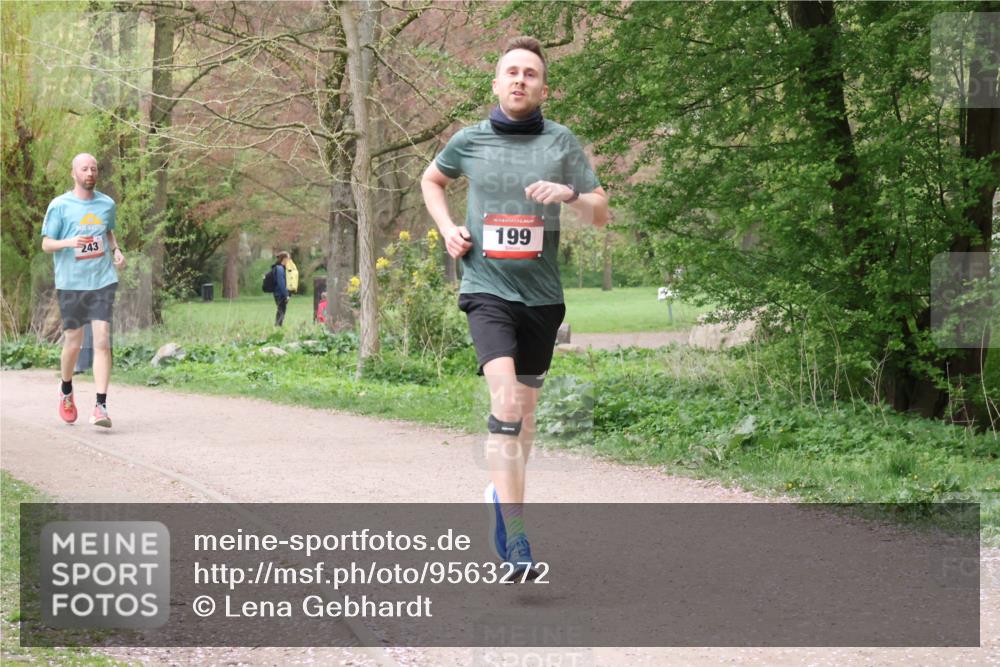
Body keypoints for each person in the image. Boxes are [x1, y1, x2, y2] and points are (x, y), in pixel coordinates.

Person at [421, 36, 609, 581]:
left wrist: (571, 195)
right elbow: (432, 180)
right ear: (497, 84)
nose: (520, 79)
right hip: (487, 289)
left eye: (530, 73)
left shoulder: (562, 142)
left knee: (522, 422)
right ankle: (519, 540)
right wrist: (448, 229)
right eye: (512, 72)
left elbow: (601, 213)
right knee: (505, 405)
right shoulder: (470, 141)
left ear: (543, 88)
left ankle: (499, 498)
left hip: (543, 300)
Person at [41, 153, 126, 428]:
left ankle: (100, 406)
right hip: (71, 283)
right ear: (73, 173)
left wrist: (116, 250)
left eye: (93, 168)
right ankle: (66, 389)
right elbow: (46, 244)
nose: (90, 173)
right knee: (74, 343)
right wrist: (69, 242)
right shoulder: (59, 206)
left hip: (102, 280)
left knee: (102, 339)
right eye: (84, 169)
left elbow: (107, 231)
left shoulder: (106, 204)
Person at [272, 251, 291, 326]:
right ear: (284, 259)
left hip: (278, 293)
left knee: (281, 310)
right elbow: (281, 283)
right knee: (281, 311)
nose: (289, 260)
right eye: (288, 258)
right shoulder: (280, 269)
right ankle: (277, 326)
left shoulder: (279, 268)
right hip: (280, 294)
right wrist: (286, 294)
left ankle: (278, 325)